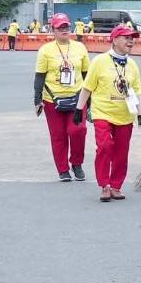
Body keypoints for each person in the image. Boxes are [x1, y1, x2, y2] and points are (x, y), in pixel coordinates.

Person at [74, 25, 141, 202]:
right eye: (126, 37)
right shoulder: (99, 61)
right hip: (103, 113)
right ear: (114, 40)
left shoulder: (132, 65)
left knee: (121, 152)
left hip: (124, 115)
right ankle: (104, 185)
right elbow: (87, 88)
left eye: (132, 38)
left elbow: (136, 92)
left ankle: (116, 186)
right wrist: (79, 109)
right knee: (105, 146)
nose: (131, 41)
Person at [34, 13, 91, 182]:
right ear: (53, 30)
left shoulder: (80, 48)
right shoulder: (45, 50)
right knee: (58, 135)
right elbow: (39, 76)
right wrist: (37, 100)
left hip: (77, 97)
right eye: (60, 27)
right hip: (52, 100)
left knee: (78, 130)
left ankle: (77, 163)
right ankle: (63, 169)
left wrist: (91, 99)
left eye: (66, 26)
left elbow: (87, 74)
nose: (64, 30)